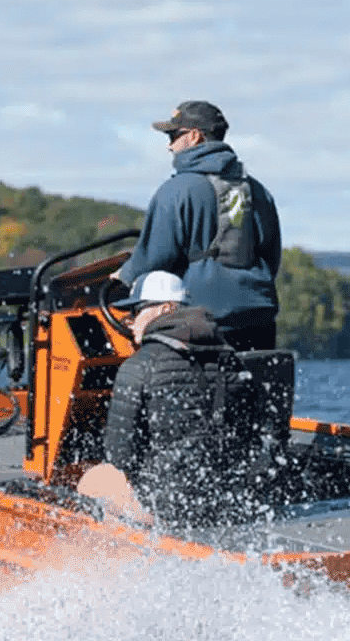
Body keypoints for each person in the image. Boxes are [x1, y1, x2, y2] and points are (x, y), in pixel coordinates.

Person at [78, 270, 266, 526]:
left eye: (137, 310)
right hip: (228, 501)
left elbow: (120, 456)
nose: (131, 321)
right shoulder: (232, 358)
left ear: (165, 308)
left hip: (170, 507)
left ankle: (126, 545)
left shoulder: (139, 365)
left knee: (95, 479)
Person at [115, 100, 282, 352]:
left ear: (194, 136)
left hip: (200, 321)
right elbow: (271, 258)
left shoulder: (176, 191)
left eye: (173, 135)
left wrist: (123, 277)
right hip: (259, 317)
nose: (169, 146)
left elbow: (153, 259)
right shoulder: (258, 191)